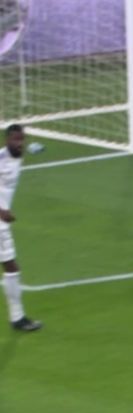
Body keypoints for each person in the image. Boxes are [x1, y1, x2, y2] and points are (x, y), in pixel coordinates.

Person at [0, 124, 42, 332]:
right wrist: (2, 212)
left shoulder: (18, 155)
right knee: (11, 267)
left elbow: (29, 150)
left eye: (22, 139)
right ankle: (17, 318)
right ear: (6, 140)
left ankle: (17, 317)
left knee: (10, 266)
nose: (19, 143)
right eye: (15, 139)